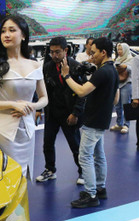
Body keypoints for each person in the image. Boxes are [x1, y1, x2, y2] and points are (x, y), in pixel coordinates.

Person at [0, 15, 48, 181]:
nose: (6, 35)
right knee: (8, 177)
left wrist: (32, 105)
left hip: (28, 130)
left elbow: (44, 98)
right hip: (4, 131)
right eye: (3, 31)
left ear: (23, 35)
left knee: (24, 179)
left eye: (11, 30)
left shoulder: (35, 64)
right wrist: (12, 105)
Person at [61, 37, 118, 208]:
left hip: (93, 121)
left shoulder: (102, 72)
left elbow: (80, 91)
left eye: (93, 53)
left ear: (103, 52)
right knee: (99, 156)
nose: (91, 56)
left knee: (84, 156)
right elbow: (115, 99)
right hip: (102, 119)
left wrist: (66, 75)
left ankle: (91, 193)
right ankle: (100, 187)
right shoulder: (112, 70)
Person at [36, 36, 86, 185]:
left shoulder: (76, 67)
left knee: (75, 145)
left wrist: (76, 113)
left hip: (69, 113)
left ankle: (83, 172)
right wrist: (39, 108)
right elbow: (42, 90)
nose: (55, 55)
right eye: (52, 52)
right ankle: (50, 170)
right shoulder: (47, 67)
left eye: (58, 52)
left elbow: (82, 93)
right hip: (52, 113)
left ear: (65, 50)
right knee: (47, 143)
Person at [111, 42, 133, 134]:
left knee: (126, 104)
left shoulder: (130, 59)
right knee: (118, 105)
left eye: (121, 49)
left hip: (126, 84)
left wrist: (125, 66)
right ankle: (119, 123)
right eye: (118, 49)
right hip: (118, 84)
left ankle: (126, 124)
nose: (119, 51)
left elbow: (131, 69)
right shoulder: (118, 59)